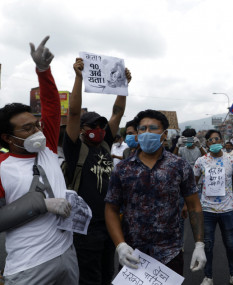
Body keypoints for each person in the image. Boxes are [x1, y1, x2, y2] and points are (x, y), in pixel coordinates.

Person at [0, 36, 78, 284]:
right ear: (8, 138)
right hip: (28, 267)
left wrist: (43, 71)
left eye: (36, 125)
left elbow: (52, 106)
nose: (36, 132)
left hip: (67, 255)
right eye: (27, 129)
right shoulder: (3, 168)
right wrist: (42, 205)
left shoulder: (48, 149)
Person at [105, 109, 206, 276]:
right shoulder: (122, 169)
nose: (147, 133)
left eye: (153, 128)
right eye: (142, 129)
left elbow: (194, 205)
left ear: (164, 134)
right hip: (132, 253)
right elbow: (111, 209)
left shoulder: (179, 166)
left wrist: (199, 244)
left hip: (170, 254)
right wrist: (120, 245)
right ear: (137, 134)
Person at [63, 57, 131, 285]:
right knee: (88, 277)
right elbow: (73, 113)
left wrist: (123, 87)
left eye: (101, 126)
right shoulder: (75, 148)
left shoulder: (104, 144)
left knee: (106, 273)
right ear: (82, 130)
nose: (99, 130)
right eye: (93, 126)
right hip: (85, 226)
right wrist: (78, 78)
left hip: (109, 222)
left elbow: (118, 112)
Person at [194, 130, 233, 285]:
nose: (214, 141)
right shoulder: (200, 161)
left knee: (230, 243)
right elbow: (192, 185)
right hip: (207, 210)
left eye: (217, 138)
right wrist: (186, 204)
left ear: (222, 140)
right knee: (208, 245)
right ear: (207, 143)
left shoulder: (231, 160)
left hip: (228, 209)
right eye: (210, 140)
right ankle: (208, 277)